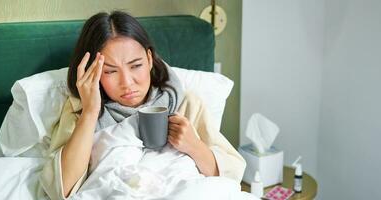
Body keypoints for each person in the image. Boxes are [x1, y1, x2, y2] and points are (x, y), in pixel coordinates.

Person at [40, 11, 246, 200]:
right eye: (110, 71)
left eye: (136, 66)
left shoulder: (185, 103)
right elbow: (61, 189)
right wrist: (90, 112)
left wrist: (194, 146)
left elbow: (231, 174)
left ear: (149, 59)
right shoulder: (80, 111)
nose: (127, 83)